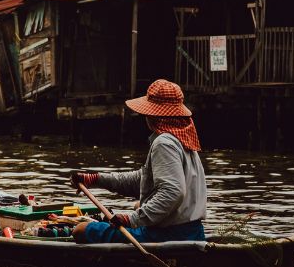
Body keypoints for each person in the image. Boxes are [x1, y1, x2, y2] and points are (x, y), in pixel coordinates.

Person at [70, 79, 207, 244]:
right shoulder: (184, 140)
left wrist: (132, 219)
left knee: (80, 230)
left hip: (167, 235)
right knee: (138, 205)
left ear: (153, 115)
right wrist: (94, 179)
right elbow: (143, 180)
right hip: (194, 232)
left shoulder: (164, 143)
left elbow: (172, 192)